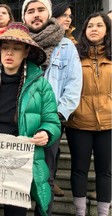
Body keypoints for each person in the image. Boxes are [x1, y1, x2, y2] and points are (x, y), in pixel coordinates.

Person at [0, 22, 61, 216]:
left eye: (16, 49)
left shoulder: (41, 85)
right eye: (5, 48)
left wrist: (45, 133)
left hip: (21, 160)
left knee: (15, 212)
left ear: (26, 53)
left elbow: (52, 121)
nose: (9, 53)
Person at [21, 0, 83, 214]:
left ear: (49, 14)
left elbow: (74, 86)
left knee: (45, 177)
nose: (36, 15)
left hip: (49, 123)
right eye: (30, 11)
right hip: (17, 121)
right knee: (15, 175)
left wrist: (55, 117)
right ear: (24, 17)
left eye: (40, 10)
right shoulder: (17, 42)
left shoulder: (66, 46)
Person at [63, 12, 111, 216]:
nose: (94, 29)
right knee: (79, 169)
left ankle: (103, 212)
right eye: (90, 25)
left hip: (108, 122)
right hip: (79, 122)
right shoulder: (75, 54)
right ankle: (80, 212)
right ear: (84, 30)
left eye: (99, 25)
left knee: (106, 172)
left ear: (107, 30)